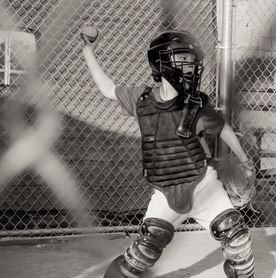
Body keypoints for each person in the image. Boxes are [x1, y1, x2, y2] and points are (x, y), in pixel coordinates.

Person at [82, 29, 255, 278]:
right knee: (143, 253)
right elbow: (107, 88)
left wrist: (245, 159)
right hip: (166, 191)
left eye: (192, 60)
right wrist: (88, 51)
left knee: (238, 241)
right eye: (183, 59)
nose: (191, 65)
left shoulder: (196, 104)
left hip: (202, 185)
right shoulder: (141, 100)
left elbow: (222, 127)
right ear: (161, 63)